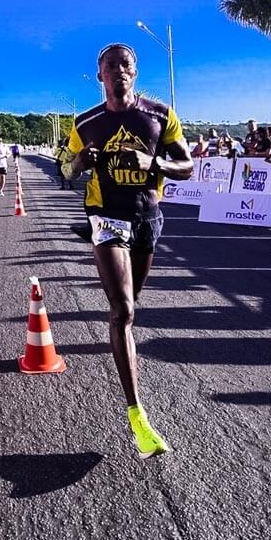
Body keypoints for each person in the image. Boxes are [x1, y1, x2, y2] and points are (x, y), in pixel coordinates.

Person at [61, 44, 193, 460]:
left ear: (134, 73)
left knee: (131, 306)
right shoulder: (85, 122)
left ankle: (122, 340)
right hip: (107, 217)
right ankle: (137, 415)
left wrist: (153, 164)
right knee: (122, 311)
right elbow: (66, 168)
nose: (118, 70)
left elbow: (187, 167)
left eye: (126, 64)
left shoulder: (161, 116)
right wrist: (80, 162)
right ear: (99, 74)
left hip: (147, 218)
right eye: (110, 65)